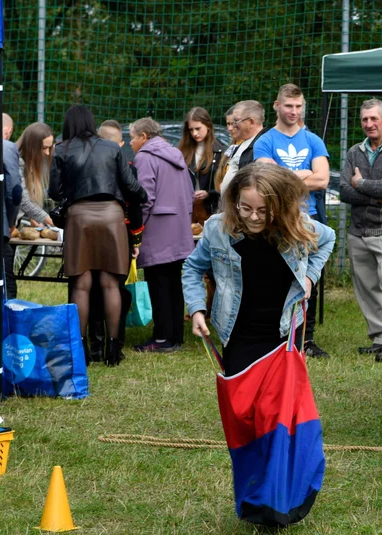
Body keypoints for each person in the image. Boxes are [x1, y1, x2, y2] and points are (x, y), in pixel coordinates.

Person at [183, 163, 334, 375]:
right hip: (237, 332)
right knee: (242, 400)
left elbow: (328, 239)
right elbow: (193, 267)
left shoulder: (296, 225)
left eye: (263, 210)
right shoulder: (217, 228)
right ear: (235, 201)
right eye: (246, 208)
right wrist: (197, 308)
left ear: (280, 205)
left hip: (286, 330)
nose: (253, 217)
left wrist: (310, 276)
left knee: (280, 402)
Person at [49, 104, 147, 366]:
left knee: (81, 285)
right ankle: (113, 351)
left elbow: (54, 192)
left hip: (79, 217)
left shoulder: (62, 149)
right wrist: (141, 197)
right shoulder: (112, 148)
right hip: (111, 216)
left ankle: (80, 352)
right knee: (110, 284)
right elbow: (130, 186)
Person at [254, 83, 332, 358]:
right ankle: (277, 336)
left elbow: (322, 179)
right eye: (289, 106)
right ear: (277, 106)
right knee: (277, 277)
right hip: (275, 220)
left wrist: (285, 174)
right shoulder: (264, 140)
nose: (294, 112)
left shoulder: (313, 140)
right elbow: (267, 180)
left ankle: (306, 340)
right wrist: (303, 173)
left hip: (307, 218)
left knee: (306, 277)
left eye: (299, 107)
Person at [339, 98, 382, 362]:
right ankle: (379, 336)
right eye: (365, 119)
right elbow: (343, 189)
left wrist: (360, 184)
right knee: (366, 286)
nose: (369, 124)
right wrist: (373, 195)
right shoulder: (355, 151)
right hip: (358, 231)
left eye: (374, 118)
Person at [128, 117, 195, 353]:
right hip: (178, 228)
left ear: (144, 137)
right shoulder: (175, 155)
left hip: (157, 231)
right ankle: (175, 335)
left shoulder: (145, 157)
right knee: (174, 284)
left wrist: (136, 228)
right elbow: (190, 193)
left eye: (132, 137)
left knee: (158, 285)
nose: (131, 142)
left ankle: (162, 338)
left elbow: (144, 198)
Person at [178, 107, 225, 223]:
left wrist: (209, 193)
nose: (194, 133)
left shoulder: (220, 152)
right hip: (186, 209)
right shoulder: (182, 151)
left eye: (198, 128)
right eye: (191, 130)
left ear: (208, 125)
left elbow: (225, 184)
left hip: (211, 210)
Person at [218, 100, 265, 192]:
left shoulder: (264, 146)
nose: (232, 126)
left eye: (236, 121)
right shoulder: (242, 144)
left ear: (251, 122)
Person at [16, 122, 55, 228]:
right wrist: (51, 221)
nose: (47, 152)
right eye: (44, 148)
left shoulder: (29, 162)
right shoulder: (17, 162)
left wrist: (32, 216)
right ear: (31, 146)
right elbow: (22, 200)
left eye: (49, 148)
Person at [1, 113, 23, 299]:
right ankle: (7, 322)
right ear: (8, 131)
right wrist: (9, 221)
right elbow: (14, 189)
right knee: (6, 277)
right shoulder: (6, 147)